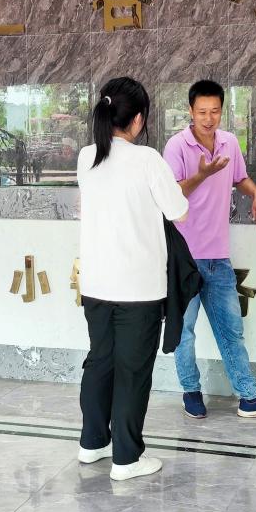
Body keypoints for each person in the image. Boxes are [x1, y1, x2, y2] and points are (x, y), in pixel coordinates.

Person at [76, 77, 189, 481]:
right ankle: (126, 458)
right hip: (139, 287)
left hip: (95, 283)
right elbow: (179, 211)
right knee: (132, 371)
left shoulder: (86, 156)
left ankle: (92, 443)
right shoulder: (147, 160)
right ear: (139, 119)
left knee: (100, 362)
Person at [163, 80, 256, 419]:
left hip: (218, 257)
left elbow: (239, 177)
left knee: (231, 331)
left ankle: (249, 397)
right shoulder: (176, 146)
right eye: (202, 112)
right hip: (183, 258)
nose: (209, 119)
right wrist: (202, 175)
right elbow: (171, 195)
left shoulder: (229, 142)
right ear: (190, 111)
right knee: (184, 333)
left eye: (215, 111)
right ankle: (191, 391)